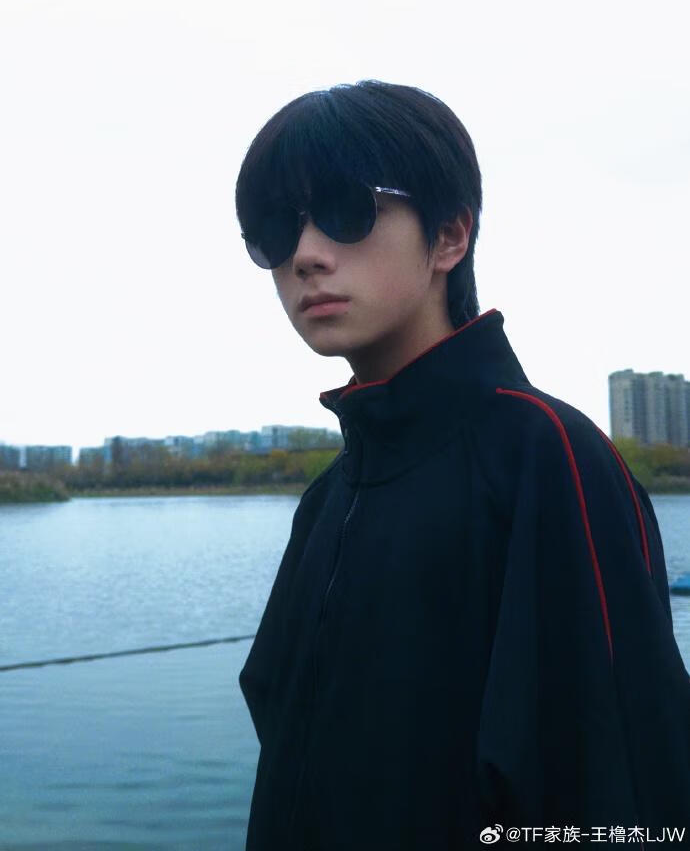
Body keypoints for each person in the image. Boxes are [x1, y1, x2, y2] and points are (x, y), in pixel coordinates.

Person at [234, 80, 690, 850]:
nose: (306, 254)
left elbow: (624, 787)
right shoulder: (327, 498)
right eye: (276, 230)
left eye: (346, 212)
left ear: (449, 236)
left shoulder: (547, 457)